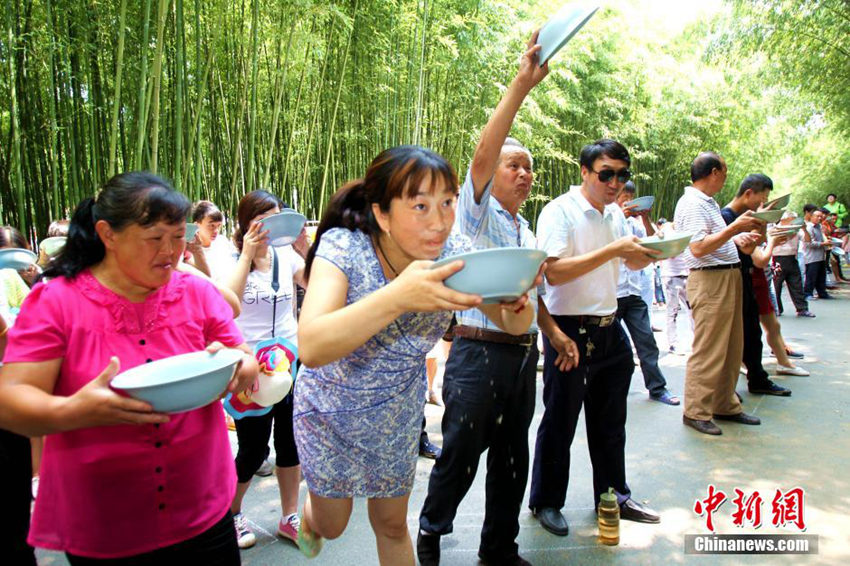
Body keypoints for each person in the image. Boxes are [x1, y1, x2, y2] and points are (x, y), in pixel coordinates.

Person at [293, 145, 538, 566]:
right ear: (383, 214)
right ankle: (310, 520)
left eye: (447, 203)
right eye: (420, 205)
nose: (440, 221)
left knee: (391, 524)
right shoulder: (344, 247)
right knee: (332, 526)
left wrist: (518, 307)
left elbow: (513, 323)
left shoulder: (451, 250)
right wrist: (398, 296)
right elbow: (312, 347)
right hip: (330, 410)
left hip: (396, 412)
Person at [0, 172, 259, 565]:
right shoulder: (56, 301)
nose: (171, 252)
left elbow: (241, 351)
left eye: (177, 237)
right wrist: (74, 411)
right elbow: (10, 401)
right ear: (108, 234)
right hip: (106, 520)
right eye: (155, 238)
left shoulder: (196, 291)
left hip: (202, 508)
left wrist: (241, 365)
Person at [418, 32, 569, 566]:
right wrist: (521, 86)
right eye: (515, 165)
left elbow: (533, 295)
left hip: (520, 355)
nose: (525, 173)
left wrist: (552, 334)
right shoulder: (474, 214)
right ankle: (431, 534)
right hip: (477, 353)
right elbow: (483, 154)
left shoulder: (525, 229)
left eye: (529, 167)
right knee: (459, 455)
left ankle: (498, 549)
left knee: (512, 458)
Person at [530, 139, 662, 539]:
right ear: (585, 172)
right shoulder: (561, 212)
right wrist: (612, 250)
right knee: (560, 419)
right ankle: (546, 501)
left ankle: (614, 494)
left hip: (609, 325)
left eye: (622, 175)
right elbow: (552, 272)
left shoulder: (614, 216)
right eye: (607, 174)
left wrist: (658, 251)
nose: (615, 182)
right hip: (569, 329)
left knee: (610, 422)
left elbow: (631, 258)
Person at [222, 190, 306, 549]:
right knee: (254, 450)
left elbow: (314, 282)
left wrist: (304, 249)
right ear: (247, 223)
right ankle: (232, 514)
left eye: (278, 217)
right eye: (265, 219)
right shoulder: (230, 259)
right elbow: (229, 305)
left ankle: (289, 516)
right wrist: (246, 254)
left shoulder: (285, 255)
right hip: (249, 368)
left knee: (291, 444)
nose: (274, 226)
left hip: (288, 361)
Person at [673, 152, 766, 436]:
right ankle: (696, 410)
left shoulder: (708, 203)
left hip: (727, 275)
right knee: (709, 348)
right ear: (714, 172)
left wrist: (737, 237)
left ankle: (725, 403)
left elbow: (713, 241)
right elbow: (698, 248)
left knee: (730, 347)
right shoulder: (691, 203)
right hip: (710, 280)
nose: (726, 178)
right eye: (724, 172)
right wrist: (735, 228)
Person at [720, 174, 792, 397]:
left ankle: (758, 379)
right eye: (762, 199)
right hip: (731, 280)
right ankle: (724, 392)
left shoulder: (743, 216)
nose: (761, 204)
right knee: (732, 340)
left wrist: (763, 221)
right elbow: (747, 249)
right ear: (749, 193)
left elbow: (754, 244)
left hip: (746, 278)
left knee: (752, 333)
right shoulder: (726, 216)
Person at [614, 182, 678, 405]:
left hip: (633, 291)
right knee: (611, 348)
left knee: (646, 341)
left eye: (631, 196)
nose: (627, 200)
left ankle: (657, 388)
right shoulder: (606, 219)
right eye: (624, 195)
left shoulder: (634, 223)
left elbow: (654, 241)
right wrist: (619, 215)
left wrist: (644, 217)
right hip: (611, 294)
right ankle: (604, 390)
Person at [658, 219, 694, 353]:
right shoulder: (666, 230)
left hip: (688, 274)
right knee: (672, 311)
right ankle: (673, 343)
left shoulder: (688, 229)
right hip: (671, 275)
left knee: (692, 310)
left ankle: (698, 341)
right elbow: (665, 251)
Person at [772, 212, 814, 317]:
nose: (794, 221)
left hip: (792, 258)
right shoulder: (774, 229)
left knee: (797, 285)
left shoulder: (797, 230)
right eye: (792, 219)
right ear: (784, 219)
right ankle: (777, 309)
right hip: (778, 259)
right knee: (776, 286)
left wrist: (804, 229)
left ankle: (802, 308)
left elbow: (808, 241)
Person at [192, 200, 234, 280]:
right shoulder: (190, 251)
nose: (216, 231)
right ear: (197, 225)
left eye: (218, 226)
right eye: (211, 226)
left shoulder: (222, 242)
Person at [801, 204, 831, 299]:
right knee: (811, 277)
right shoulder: (809, 228)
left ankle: (822, 293)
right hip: (812, 257)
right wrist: (823, 244)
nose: (820, 218)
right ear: (811, 217)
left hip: (821, 256)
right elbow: (809, 244)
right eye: (817, 216)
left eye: (820, 216)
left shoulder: (818, 227)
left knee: (821, 276)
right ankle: (808, 294)